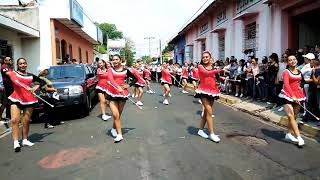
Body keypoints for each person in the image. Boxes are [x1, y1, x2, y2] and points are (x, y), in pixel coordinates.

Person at [8, 58, 46, 152]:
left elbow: (42, 82)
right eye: (20, 64)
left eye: (24, 63)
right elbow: (12, 78)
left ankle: (25, 140)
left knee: (26, 121)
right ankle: (16, 142)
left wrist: (36, 87)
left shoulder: (30, 76)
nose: (23, 65)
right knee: (14, 120)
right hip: (16, 98)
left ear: (26, 64)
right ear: (18, 65)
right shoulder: (14, 73)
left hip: (29, 100)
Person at [105, 54, 137, 143]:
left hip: (122, 94)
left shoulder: (126, 70)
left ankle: (113, 129)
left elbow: (135, 79)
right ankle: (119, 135)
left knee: (118, 114)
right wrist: (117, 87)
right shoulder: (110, 70)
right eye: (113, 60)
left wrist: (128, 85)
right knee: (115, 115)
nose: (114, 61)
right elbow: (111, 80)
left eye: (116, 59)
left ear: (120, 60)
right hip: (112, 93)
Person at [278, 55, 306, 147]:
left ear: (297, 60)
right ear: (288, 62)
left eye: (294, 59)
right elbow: (286, 84)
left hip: (298, 95)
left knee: (294, 117)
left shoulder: (299, 71)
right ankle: (299, 137)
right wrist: (292, 95)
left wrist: (300, 89)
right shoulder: (286, 72)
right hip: (287, 95)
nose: (293, 61)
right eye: (290, 60)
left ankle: (289, 134)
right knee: (290, 116)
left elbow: (301, 81)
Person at [194, 51, 222, 143]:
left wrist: (219, 82)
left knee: (206, 112)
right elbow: (206, 73)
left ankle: (200, 130)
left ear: (210, 58)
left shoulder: (213, 67)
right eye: (203, 57)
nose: (205, 58)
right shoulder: (200, 66)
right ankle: (212, 134)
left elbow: (215, 77)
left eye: (207, 57)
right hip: (203, 91)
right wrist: (218, 70)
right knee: (209, 112)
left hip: (212, 91)